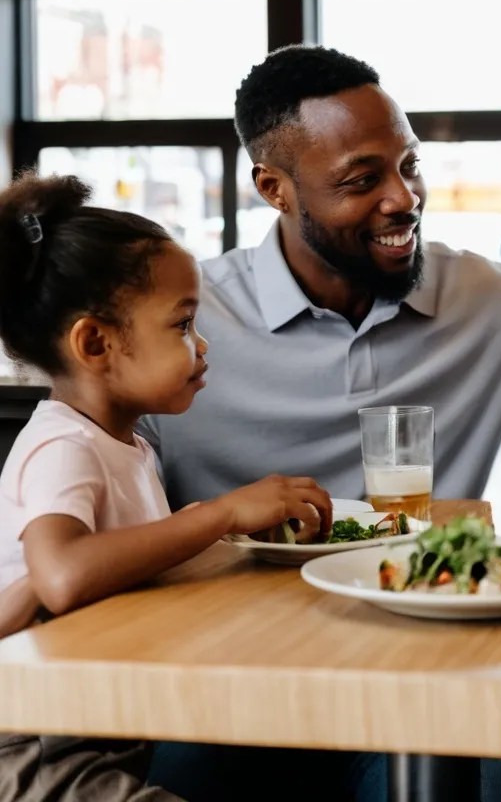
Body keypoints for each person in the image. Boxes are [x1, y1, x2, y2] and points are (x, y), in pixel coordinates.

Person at [0, 175, 373, 800]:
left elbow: (134, 568)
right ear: (95, 342)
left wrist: (237, 533)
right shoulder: (63, 446)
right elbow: (62, 574)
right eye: (182, 326)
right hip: (39, 740)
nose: (201, 347)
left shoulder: (127, 446)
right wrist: (220, 514)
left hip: (106, 720)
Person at [139, 45, 501, 510]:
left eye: (410, 166)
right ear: (274, 189)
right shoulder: (182, 323)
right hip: (230, 587)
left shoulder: (500, 305)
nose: (405, 200)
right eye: (362, 180)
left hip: (429, 583)